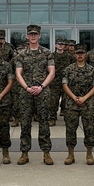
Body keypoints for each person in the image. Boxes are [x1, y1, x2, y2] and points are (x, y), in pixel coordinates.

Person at [15, 24, 56, 165]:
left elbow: (51, 72)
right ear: (27, 36)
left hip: (42, 92)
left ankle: (46, 153)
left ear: (39, 36)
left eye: (35, 34)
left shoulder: (46, 53)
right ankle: (24, 153)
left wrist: (42, 86)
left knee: (44, 122)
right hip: (26, 93)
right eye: (30, 34)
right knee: (25, 123)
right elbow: (18, 73)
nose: (33, 36)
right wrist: (26, 87)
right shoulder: (21, 55)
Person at [62, 43, 94, 164]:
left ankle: (89, 154)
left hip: (87, 104)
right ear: (74, 54)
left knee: (89, 129)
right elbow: (65, 85)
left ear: (86, 54)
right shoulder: (68, 69)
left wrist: (84, 98)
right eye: (78, 53)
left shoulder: (92, 70)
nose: (80, 55)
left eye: (82, 53)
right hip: (71, 104)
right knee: (70, 130)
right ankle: (70, 154)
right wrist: (74, 98)